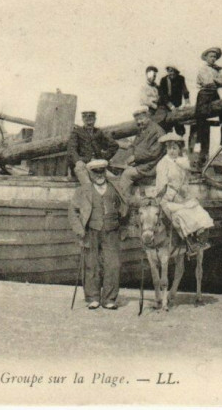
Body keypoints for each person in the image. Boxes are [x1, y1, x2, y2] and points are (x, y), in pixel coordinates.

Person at [68, 159, 128, 310]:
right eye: (95, 172)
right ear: (90, 173)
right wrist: (80, 230)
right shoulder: (83, 191)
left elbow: (125, 208)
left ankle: (109, 299)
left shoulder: (115, 189)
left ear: (105, 172)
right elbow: (72, 211)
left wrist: (124, 225)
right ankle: (93, 297)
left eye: (102, 171)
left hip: (111, 231)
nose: (99, 175)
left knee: (113, 264)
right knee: (91, 264)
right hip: (91, 231)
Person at [154, 133, 213, 256]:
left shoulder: (182, 161)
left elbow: (189, 175)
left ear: (179, 149)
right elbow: (161, 186)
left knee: (201, 213)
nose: (172, 151)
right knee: (182, 215)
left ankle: (201, 242)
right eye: (169, 148)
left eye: (175, 148)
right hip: (168, 200)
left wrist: (184, 191)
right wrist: (173, 194)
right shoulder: (162, 164)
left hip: (183, 198)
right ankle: (190, 244)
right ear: (166, 149)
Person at [193, 47, 222, 168]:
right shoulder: (203, 69)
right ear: (206, 58)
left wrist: (216, 81)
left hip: (214, 94)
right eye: (211, 56)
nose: (213, 59)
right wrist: (216, 81)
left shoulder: (217, 70)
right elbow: (207, 82)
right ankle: (201, 148)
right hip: (204, 94)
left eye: (215, 57)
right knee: (202, 116)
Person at [118, 107, 166, 197]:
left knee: (126, 174)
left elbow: (154, 153)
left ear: (148, 117)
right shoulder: (142, 129)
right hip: (143, 163)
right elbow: (135, 145)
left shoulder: (157, 131)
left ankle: (123, 201)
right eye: (137, 120)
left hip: (152, 165)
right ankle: (131, 200)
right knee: (123, 168)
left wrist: (135, 157)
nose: (139, 122)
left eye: (141, 119)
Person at [67, 110, 120, 187]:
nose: (89, 124)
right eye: (86, 121)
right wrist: (77, 161)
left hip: (97, 164)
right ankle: (89, 192)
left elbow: (114, 145)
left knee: (113, 181)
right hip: (83, 163)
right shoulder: (77, 132)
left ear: (95, 120)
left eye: (91, 121)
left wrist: (105, 158)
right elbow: (71, 149)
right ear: (83, 120)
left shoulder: (99, 132)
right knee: (85, 179)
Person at [159, 66, 190, 136]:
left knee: (180, 126)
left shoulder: (180, 78)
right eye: (169, 71)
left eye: (173, 71)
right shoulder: (163, 80)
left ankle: (181, 142)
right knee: (166, 126)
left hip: (177, 105)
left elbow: (185, 91)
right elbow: (163, 96)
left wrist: (187, 103)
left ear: (176, 72)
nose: (171, 73)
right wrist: (171, 107)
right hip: (166, 106)